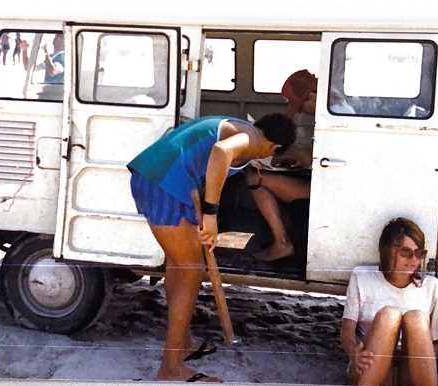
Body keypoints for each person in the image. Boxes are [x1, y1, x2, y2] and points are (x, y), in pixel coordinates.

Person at [127, 114, 297, 382]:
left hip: (163, 180)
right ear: (274, 148)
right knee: (192, 270)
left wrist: (197, 205)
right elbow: (220, 152)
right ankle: (170, 369)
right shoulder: (250, 139)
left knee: (179, 264)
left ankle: (183, 342)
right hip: (162, 184)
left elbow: (193, 161)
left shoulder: (240, 125)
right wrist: (210, 215)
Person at [340, 217, 438, 386]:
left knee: (416, 318)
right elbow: (346, 333)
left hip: (410, 369)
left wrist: (408, 352)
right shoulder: (361, 277)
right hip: (370, 363)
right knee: (389, 315)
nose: (413, 260)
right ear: (388, 251)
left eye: (419, 253)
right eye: (406, 252)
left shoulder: (432, 287)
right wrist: (354, 352)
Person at [246, 69, 315, 261]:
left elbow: (310, 157)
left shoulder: (331, 117)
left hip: (325, 190)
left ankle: (282, 243)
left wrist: (279, 144)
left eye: (300, 107)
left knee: (255, 179)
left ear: (312, 96)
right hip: (319, 181)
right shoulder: (337, 111)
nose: (300, 112)